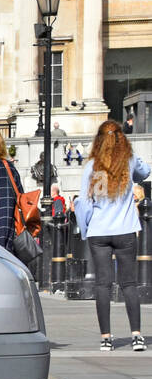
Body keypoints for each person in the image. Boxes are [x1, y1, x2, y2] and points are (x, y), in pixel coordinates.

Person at [74, 120, 151, 352]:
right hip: (125, 229)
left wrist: (86, 229)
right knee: (129, 284)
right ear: (121, 138)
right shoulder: (128, 161)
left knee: (102, 285)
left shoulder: (92, 167)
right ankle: (137, 335)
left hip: (99, 231)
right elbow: (145, 172)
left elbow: (84, 204)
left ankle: (106, 337)